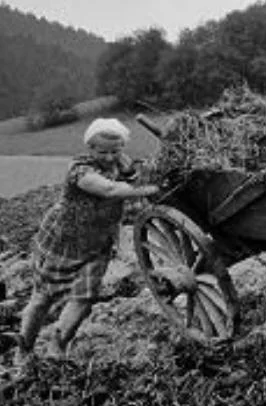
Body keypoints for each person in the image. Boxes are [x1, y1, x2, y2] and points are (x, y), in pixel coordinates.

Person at [15, 118, 159, 367]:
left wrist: (132, 172)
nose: (109, 156)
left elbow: (133, 175)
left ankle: (56, 348)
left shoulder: (119, 163)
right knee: (42, 298)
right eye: (102, 151)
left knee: (84, 298)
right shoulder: (79, 170)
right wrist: (148, 189)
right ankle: (24, 349)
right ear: (90, 148)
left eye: (115, 150)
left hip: (97, 243)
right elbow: (110, 191)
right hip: (63, 242)